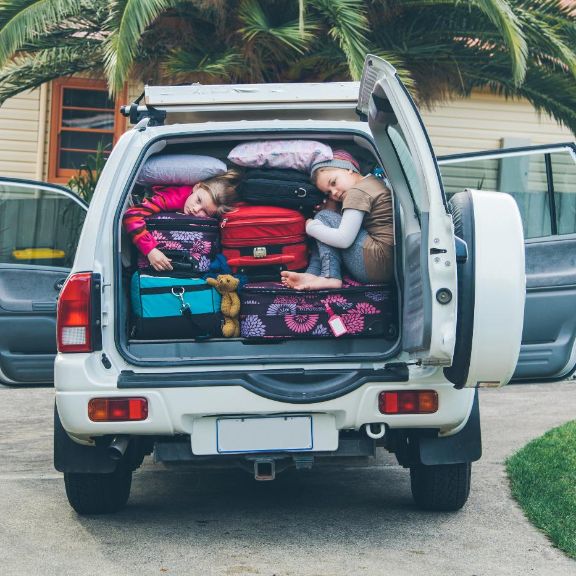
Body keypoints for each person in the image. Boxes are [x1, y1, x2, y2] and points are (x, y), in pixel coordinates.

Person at [281, 150, 394, 290]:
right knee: (325, 221)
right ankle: (313, 274)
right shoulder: (372, 182)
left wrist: (311, 227)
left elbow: (343, 239)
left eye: (333, 182)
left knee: (322, 218)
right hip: (386, 265)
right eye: (328, 193)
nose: (334, 193)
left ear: (348, 168)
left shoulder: (357, 192)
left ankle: (329, 276)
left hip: (375, 263)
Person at [123, 171, 240, 271]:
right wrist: (150, 250)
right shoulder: (173, 199)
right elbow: (132, 215)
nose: (195, 209)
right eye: (198, 200)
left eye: (205, 212)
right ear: (196, 187)